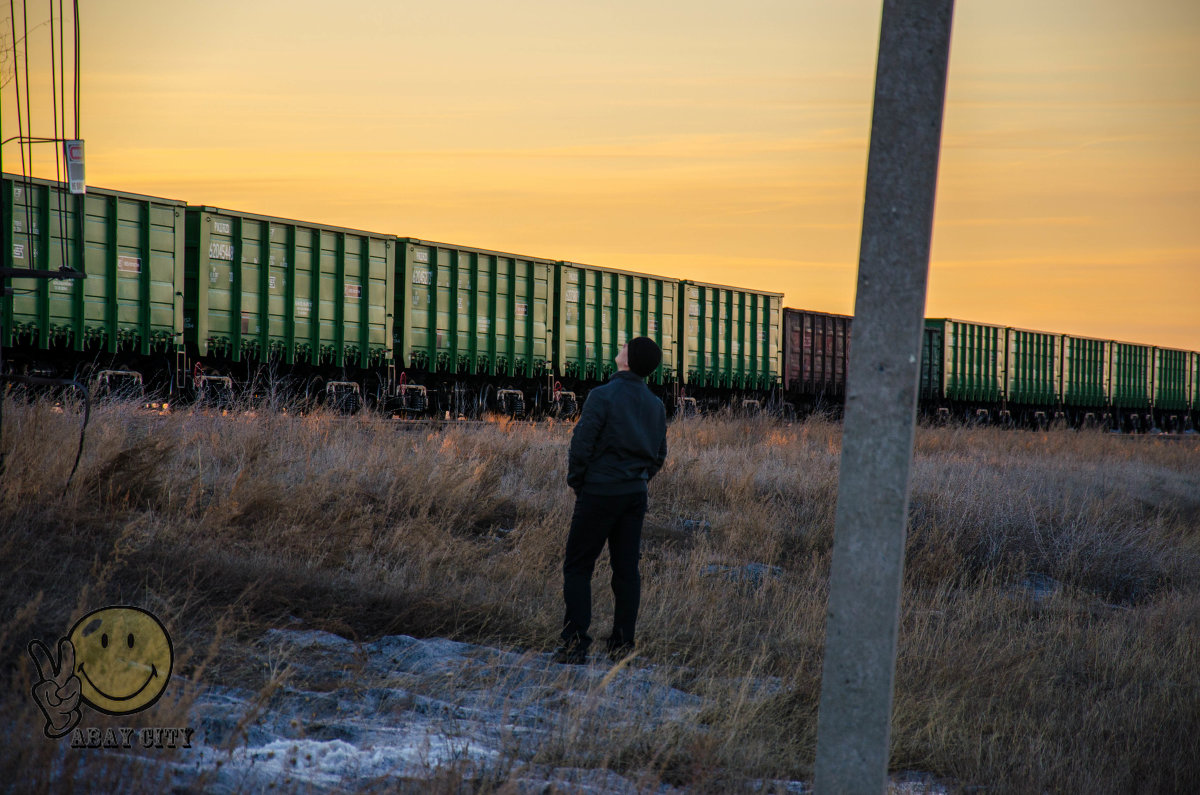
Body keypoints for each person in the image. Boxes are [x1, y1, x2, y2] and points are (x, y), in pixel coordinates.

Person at [555, 337, 668, 664]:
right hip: (634, 496)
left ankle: (575, 646)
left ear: (628, 360)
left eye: (624, 347)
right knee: (627, 571)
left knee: (578, 567)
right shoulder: (656, 405)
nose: (619, 349)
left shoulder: (601, 396)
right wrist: (639, 480)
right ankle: (621, 647)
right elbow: (659, 455)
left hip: (599, 493)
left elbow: (581, 447)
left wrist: (580, 483)